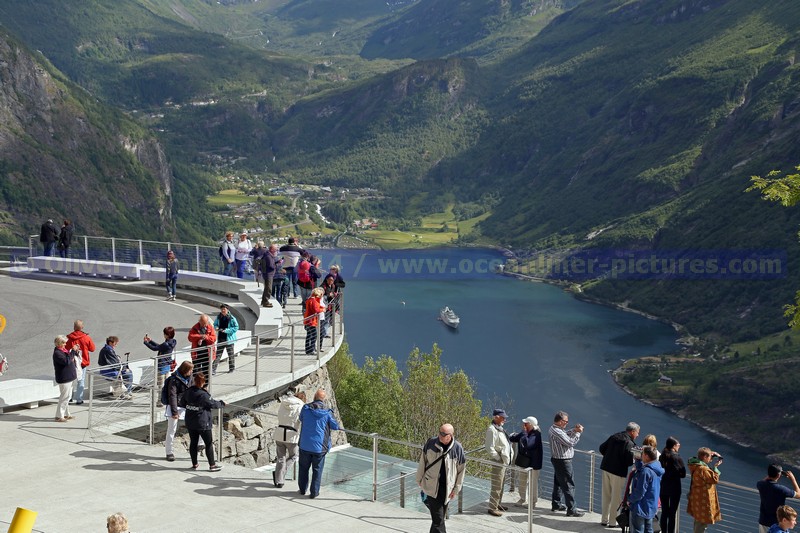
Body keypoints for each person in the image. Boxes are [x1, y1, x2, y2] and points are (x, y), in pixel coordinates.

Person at [416, 423, 467, 533]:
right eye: (440, 432)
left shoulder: (458, 448)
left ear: (451, 435)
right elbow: (422, 462)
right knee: (438, 519)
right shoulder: (431, 443)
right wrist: (419, 479)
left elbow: (461, 471)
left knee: (438, 519)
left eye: (443, 434)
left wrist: (456, 489)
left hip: (447, 489)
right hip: (431, 486)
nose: (440, 435)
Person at [298, 389, 340, 498]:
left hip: (305, 444)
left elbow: (301, 418)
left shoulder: (306, 408)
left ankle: (302, 490)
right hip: (319, 448)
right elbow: (335, 426)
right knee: (317, 471)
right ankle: (314, 493)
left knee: (303, 468)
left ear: (314, 397)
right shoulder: (327, 413)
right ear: (323, 399)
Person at [179, 371, 225, 471]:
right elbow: (213, 404)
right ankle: (212, 465)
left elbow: (182, 403)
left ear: (194, 381)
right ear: (203, 383)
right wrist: (222, 403)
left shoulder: (188, 391)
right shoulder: (203, 395)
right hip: (203, 422)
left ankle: (194, 464)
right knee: (208, 443)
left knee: (193, 442)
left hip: (191, 421)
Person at [599, 422, 640, 527]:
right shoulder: (629, 443)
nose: (638, 435)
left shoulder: (614, 436)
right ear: (632, 431)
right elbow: (629, 461)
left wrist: (610, 456)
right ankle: (612, 522)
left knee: (606, 495)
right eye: (637, 433)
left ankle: (604, 520)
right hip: (618, 472)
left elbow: (601, 448)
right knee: (615, 498)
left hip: (606, 468)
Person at [549, 410, 584, 517]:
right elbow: (570, 442)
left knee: (558, 483)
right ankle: (572, 509)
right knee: (569, 485)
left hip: (558, 460)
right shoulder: (557, 431)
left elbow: (565, 435)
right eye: (566, 421)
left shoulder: (555, 429)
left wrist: (574, 430)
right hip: (563, 461)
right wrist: (578, 433)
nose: (567, 423)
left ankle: (556, 504)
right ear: (560, 421)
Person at [272, 389, 307, 488]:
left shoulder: (284, 402)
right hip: (291, 435)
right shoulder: (301, 406)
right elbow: (301, 420)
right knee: (293, 456)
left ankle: (279, 480)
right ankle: (280, 475)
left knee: (280, 458)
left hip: (279, 432)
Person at [509, 416, 543, 507]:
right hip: (524, 462)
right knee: (522, 481)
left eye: (526, 423)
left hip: (533, 464)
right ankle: (523, 498)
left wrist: (523, 433)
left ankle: (532, 502)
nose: (524, 425)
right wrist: (512, 435)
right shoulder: (526, 432)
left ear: (530, 424)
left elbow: (529, 444)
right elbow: (514, 439)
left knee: (533, 483)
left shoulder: (536, 434)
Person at [686, 447, 723, 533]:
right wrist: (716, 467)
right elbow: (714, 479)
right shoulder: (703, 469)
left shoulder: (695, 464)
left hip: (697, 498)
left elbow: (698, 458)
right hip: (703, 500)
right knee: (702, 523)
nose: (711, 459)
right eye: (710, 457)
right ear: (705, 457)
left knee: (698, 520)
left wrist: (709, 454)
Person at [629, 446, 664, 533]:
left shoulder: (646, 472)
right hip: (651, 506)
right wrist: (638, 460)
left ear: (647, 456)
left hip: (640, 506)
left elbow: (640, 491)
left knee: (638, 530)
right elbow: (643, 468)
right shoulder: (657, 467)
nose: (641, 455)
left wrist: (630, 500)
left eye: (643, 454)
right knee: (649, 529)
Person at [485, 408, 513, 516]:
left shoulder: (499, 428)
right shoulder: (492, 430)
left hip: (503, 461)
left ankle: (498, 504)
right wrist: (498, 459)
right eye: (502, 417)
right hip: (499, 462)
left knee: (501, 484)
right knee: (497, 485)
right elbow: (489, 447)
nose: (504, 419)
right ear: (496, 417)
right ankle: (492, 507)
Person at [163, 360, 193, 462]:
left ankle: (200, 444)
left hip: (186, 406)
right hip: (176, 407)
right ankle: (169, 452)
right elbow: (172, 396)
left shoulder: (190, 378)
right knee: (171, 430)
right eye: (190, 370)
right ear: (185, 370)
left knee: (196, 425)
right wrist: (174, 412)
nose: (191, 372)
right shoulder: (174, 380)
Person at [758, 464, 800, 533]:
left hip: (763, 521)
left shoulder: (760, 484)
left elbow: (764, 480)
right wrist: (793, 479)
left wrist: (772, 474)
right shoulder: (782, 489)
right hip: (777, 525)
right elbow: (799, 495)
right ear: (779, 475)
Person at [659, 436, 687, 533]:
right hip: (674, 487)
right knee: (672, 513)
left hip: (664, 486)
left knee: (664, 512)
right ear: (674, 446)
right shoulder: (677, 457)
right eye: (678, 445)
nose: (679, 446)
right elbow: (683, 474)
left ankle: (663, 531)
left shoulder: (662, 455)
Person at [65, 319, 96, 405]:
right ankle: (79, 399)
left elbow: (65, 349)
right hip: (82, 362)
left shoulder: (68, 338)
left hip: (71, 362)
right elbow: (92, 349)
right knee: (81, 380)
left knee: (70, 380)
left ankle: (69, 398)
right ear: (82, 327)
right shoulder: (86, 337)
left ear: (74, 327)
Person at [143, 326, 177, 399]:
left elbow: (155, 348)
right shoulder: (173, 341)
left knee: (160, 385)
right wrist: (151, 341)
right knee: (166, 384)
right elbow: (160, 346)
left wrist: (146, 343)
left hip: (161, 366)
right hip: (167, 365)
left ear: (167, 335)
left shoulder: (166, 344)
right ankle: (167, 399)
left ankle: (160, 401)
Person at [52, 335, 77, 422]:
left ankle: (66, 414)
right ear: (59, 343)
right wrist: (73, 351)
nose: (65, 344)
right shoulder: (57, 353)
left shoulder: (63, 350)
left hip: (69, 377)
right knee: (64, 397)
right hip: (64, 378)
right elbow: (66, 361)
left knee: (68, 396)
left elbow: (69, 358)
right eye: (64, 343)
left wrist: (74, 352)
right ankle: (59, 416)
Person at [213, 304, 239, 373]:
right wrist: (216, 328)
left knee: (230, 355)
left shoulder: (232, 318)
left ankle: (232, 368)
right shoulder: (219, 317)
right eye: (222, 309)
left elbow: (236, 327)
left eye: (224, 309)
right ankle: (213, 369)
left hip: (229, 339)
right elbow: (215, 324)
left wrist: (226, 331)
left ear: (227, 310)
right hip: (221, 338)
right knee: (218, 355)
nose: (223, 311)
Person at [303, 287, 325, 354]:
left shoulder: (309, 300)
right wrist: (322, 310)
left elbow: (315, 308)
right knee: (314, 335)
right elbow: (316, 310)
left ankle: (307, 350)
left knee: (309, 335)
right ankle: (311, 349)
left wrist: (321, 308)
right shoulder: (314, 301)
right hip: (311, 321)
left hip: (307, 320)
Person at [259, 244, 277, 308]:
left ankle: (264, 301)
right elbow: (271, 266)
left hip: (267, 274)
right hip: (268, 274)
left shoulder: (267, 255)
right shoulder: (268, 256)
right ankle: (265, 301)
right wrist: (276, 265)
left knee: (267, 288)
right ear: (272, 249)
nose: (276, 250)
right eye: (275, 249)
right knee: (268, 288)